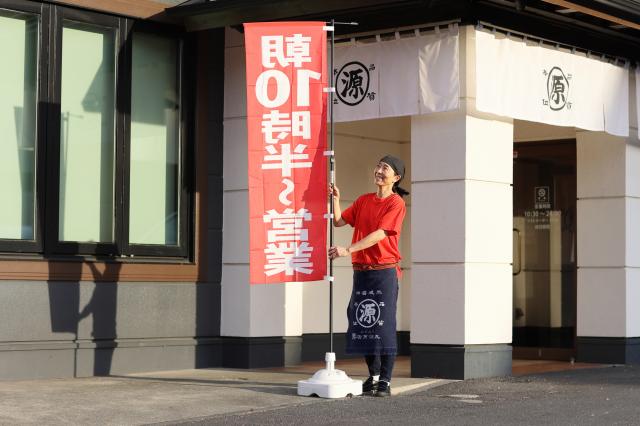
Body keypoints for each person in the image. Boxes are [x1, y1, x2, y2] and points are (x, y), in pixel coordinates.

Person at [329, 155, 408, 397]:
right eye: (378, 166)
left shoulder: (396, 204)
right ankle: (372, 375)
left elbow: (380, 234)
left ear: (396, 177)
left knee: (383, 325)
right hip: (361, 271)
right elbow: (339, 221)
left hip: (384, 271)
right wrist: (336, 200)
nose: (379, 170)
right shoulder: (364, 200)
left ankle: (385, 379)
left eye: (386, 168)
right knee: (361, 321)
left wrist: (348, 249)